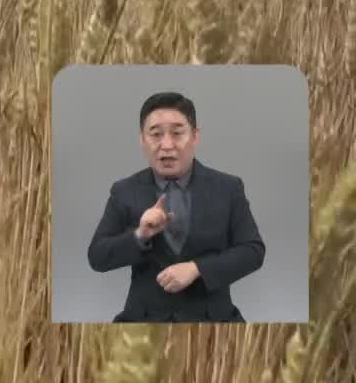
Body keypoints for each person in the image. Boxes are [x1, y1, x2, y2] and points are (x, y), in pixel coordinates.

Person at [85, 91, 265, 322]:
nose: (166, 145)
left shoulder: (228, 188)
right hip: (143, 324)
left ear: (195, 136)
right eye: (156, 134)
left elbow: (253, 251)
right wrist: (141, 235)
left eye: (177, 133)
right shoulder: (124, 191)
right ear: (142, 139)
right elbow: (97, 257)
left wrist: (197, 268)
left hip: (214, 321)